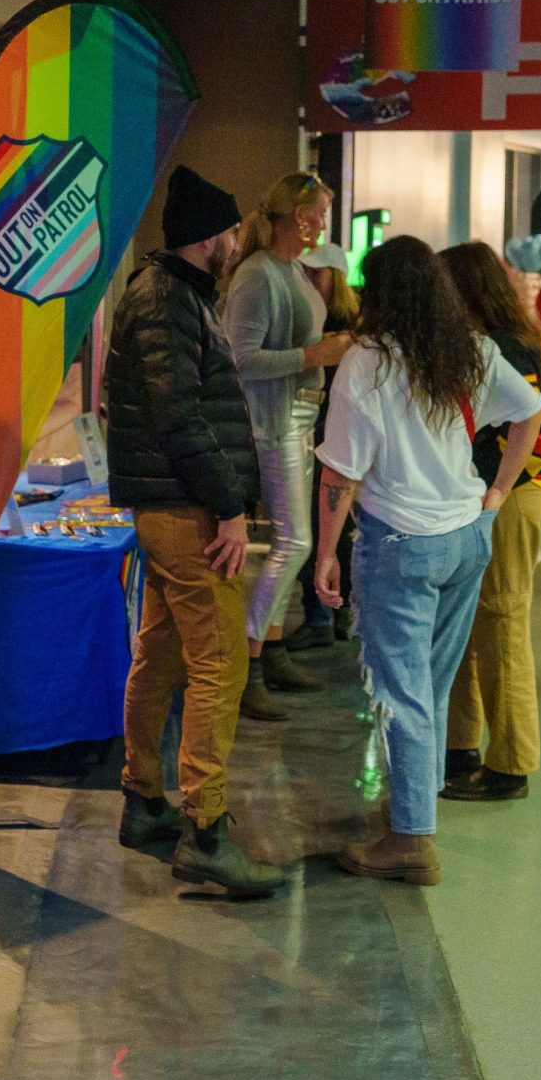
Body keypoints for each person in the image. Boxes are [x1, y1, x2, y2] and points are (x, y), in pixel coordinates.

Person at [314, 237, 541, 885]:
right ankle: (418, 804)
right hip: (466, 536)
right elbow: (531, 411)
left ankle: (410, 839)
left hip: (401, 543)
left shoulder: (367, 362)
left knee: (401, 690)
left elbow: (342, 469)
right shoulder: (469, 349)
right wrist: (495, 493)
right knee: (432, 685)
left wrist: (325, 551)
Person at [106, 166, 285, 896]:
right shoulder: (166, 301)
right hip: (188, 512)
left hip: (174, 508)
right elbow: (178, 415)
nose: (239, 241)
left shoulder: (176, 295)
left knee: (164, 655)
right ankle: (205, 831)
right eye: (234, 231)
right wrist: (230, 506)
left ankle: (145, 798)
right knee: (220, 664)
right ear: (210, 238)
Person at [219, 170, 355, 720]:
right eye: (318, 213)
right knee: (296, 541)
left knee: (289, 538)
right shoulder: (258, 275)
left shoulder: (288, 270)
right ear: (297, 215)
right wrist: (315, 357)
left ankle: (269, 649)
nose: (323, 223)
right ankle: (246, 660)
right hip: (273, 421)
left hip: (296, 416)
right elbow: (240, 360)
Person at [439, 240, 541, 802]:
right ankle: (460, 744)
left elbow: (529, 431)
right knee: (469, 623)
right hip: (496, 494)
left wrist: (494, 492)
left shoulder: (506, 350)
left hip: (511, 494)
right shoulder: (499, 343)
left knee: (502, 622)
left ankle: (510, 764)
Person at [288, 243, 360, 651]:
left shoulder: (352, 321)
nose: (312, 279)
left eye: (319, 272)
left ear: (337, 275)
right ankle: (321, 613)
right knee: (314, 524)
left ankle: (337, 611)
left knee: (338, 525)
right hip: (312, 426)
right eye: (307, 272)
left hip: (338, 430)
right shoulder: (305, 317)